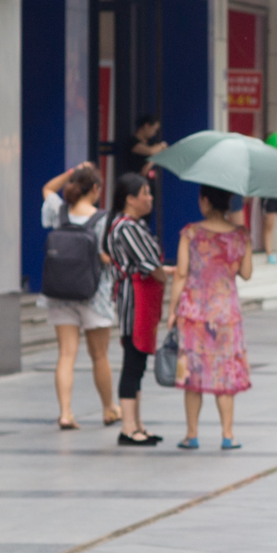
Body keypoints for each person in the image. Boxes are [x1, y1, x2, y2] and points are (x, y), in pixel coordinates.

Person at [170, 185, 254, 448]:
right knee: (224, 374)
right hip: (227, 313)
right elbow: (247, 273)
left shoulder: (191, 233)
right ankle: (228, 435)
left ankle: (191, 435)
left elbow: (181, 273)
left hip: (194, 312)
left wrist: (172, 310)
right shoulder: (241, 235)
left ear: (205, 201)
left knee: (192, 374)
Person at [41, 164, 118, 433]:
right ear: (95, 188)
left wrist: (71, 172)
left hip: (60, 294)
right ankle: (108, 408)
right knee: (99, 355)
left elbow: (48, 189)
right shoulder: (104, 219)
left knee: (66, 354)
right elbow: (110, 257)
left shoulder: (59, 212)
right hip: (94, 295)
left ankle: (65, 413)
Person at [108, 173, 169, 447]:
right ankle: (128, 428)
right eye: (145, 193)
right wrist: (167, 273)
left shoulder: (135, 225)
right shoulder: (126, 228)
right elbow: (150, 265)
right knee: (132, 364)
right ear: (130, 199)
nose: (150, 198)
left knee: (138, 365)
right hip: (134, 303)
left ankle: (137, 424)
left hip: (142, 301)